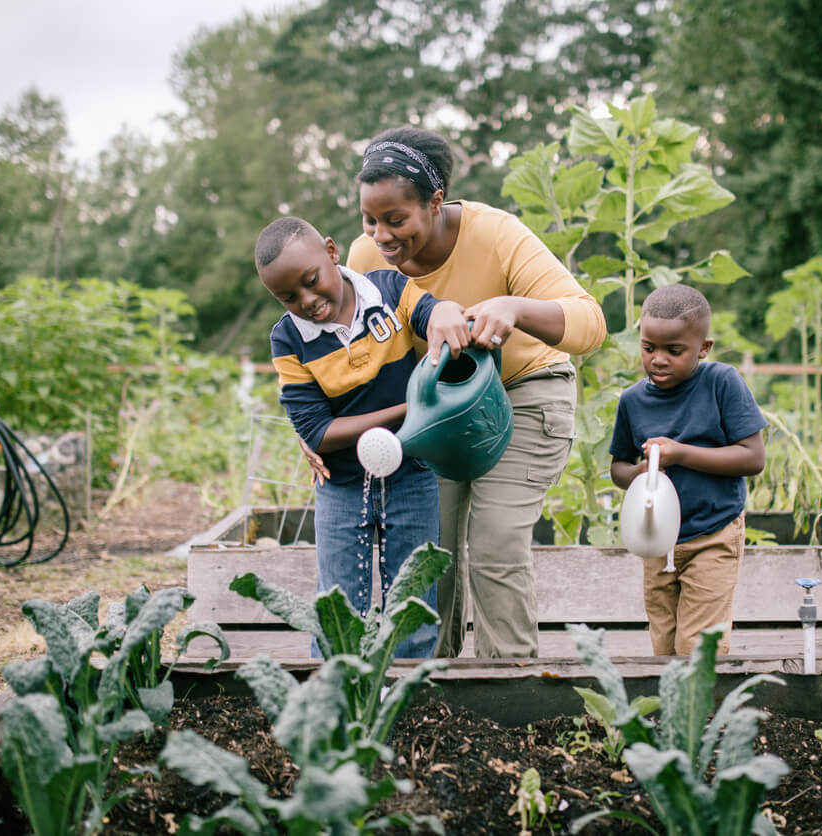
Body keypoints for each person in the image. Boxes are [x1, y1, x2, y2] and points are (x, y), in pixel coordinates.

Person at [339, 126, 608, 658]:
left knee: (495, 542)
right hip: (436, 409)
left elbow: (590, 322)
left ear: (435, 202)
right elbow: (342, 352)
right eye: (370, 220)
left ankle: (508, 687)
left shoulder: (497, 235)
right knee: (425, 548)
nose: (381, 235)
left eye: (397, 220)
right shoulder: (365, 257)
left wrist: (514, 308)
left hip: (522, 395)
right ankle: (429, 683)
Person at [255, 216, 468, 658]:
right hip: (342, 485)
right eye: (288, 297)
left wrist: (444, 311)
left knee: (412, 608)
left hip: (412, 475)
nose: (308, 300)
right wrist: (411, 408)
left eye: (312, 281)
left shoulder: (389, 291)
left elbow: (430, 316)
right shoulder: (288, 339)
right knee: (337, 609)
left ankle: (407, 709)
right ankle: (338, 707)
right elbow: (317, 432)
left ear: (332, 253)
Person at [609, 284, 766, 656]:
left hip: (713, 534)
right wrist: (641, 474)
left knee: (696, 646)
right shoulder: (633, 401)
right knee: (664, 643)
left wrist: (680, 454)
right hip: (657, 540)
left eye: (674, 351)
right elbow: (618, 467)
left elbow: (752, 458)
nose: (659, 359)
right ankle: (670, 714)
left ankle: (701, 713)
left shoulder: (721, 383)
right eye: (649, 348)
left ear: (704, 348)